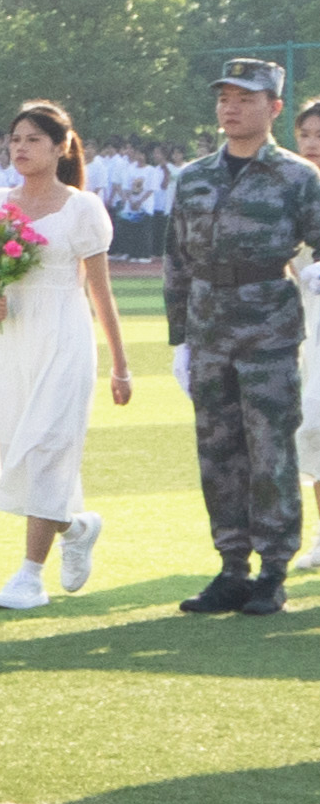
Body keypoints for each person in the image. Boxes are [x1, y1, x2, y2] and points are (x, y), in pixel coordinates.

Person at [160, 61, 317, 614]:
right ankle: (231, 567)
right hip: (208, 327)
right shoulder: (195, 176)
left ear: (273, 108)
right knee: (218, 454)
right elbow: (177, 259)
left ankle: (272, 570)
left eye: (245, 99)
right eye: (224, 97)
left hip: (268, 330)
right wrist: (180, 338)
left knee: (271, 451)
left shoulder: (299, 177)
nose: (231, 107)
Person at [0, 104, 131, 610]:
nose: (21, 148)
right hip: (11, 337)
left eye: (34, 140)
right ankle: (77, 526)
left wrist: (120, 364)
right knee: (19, 449)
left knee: (44, 449)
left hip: (63, 335)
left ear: (62, 147)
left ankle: (28, 575)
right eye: (15, 139)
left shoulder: (82, 208)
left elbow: (101, 293)